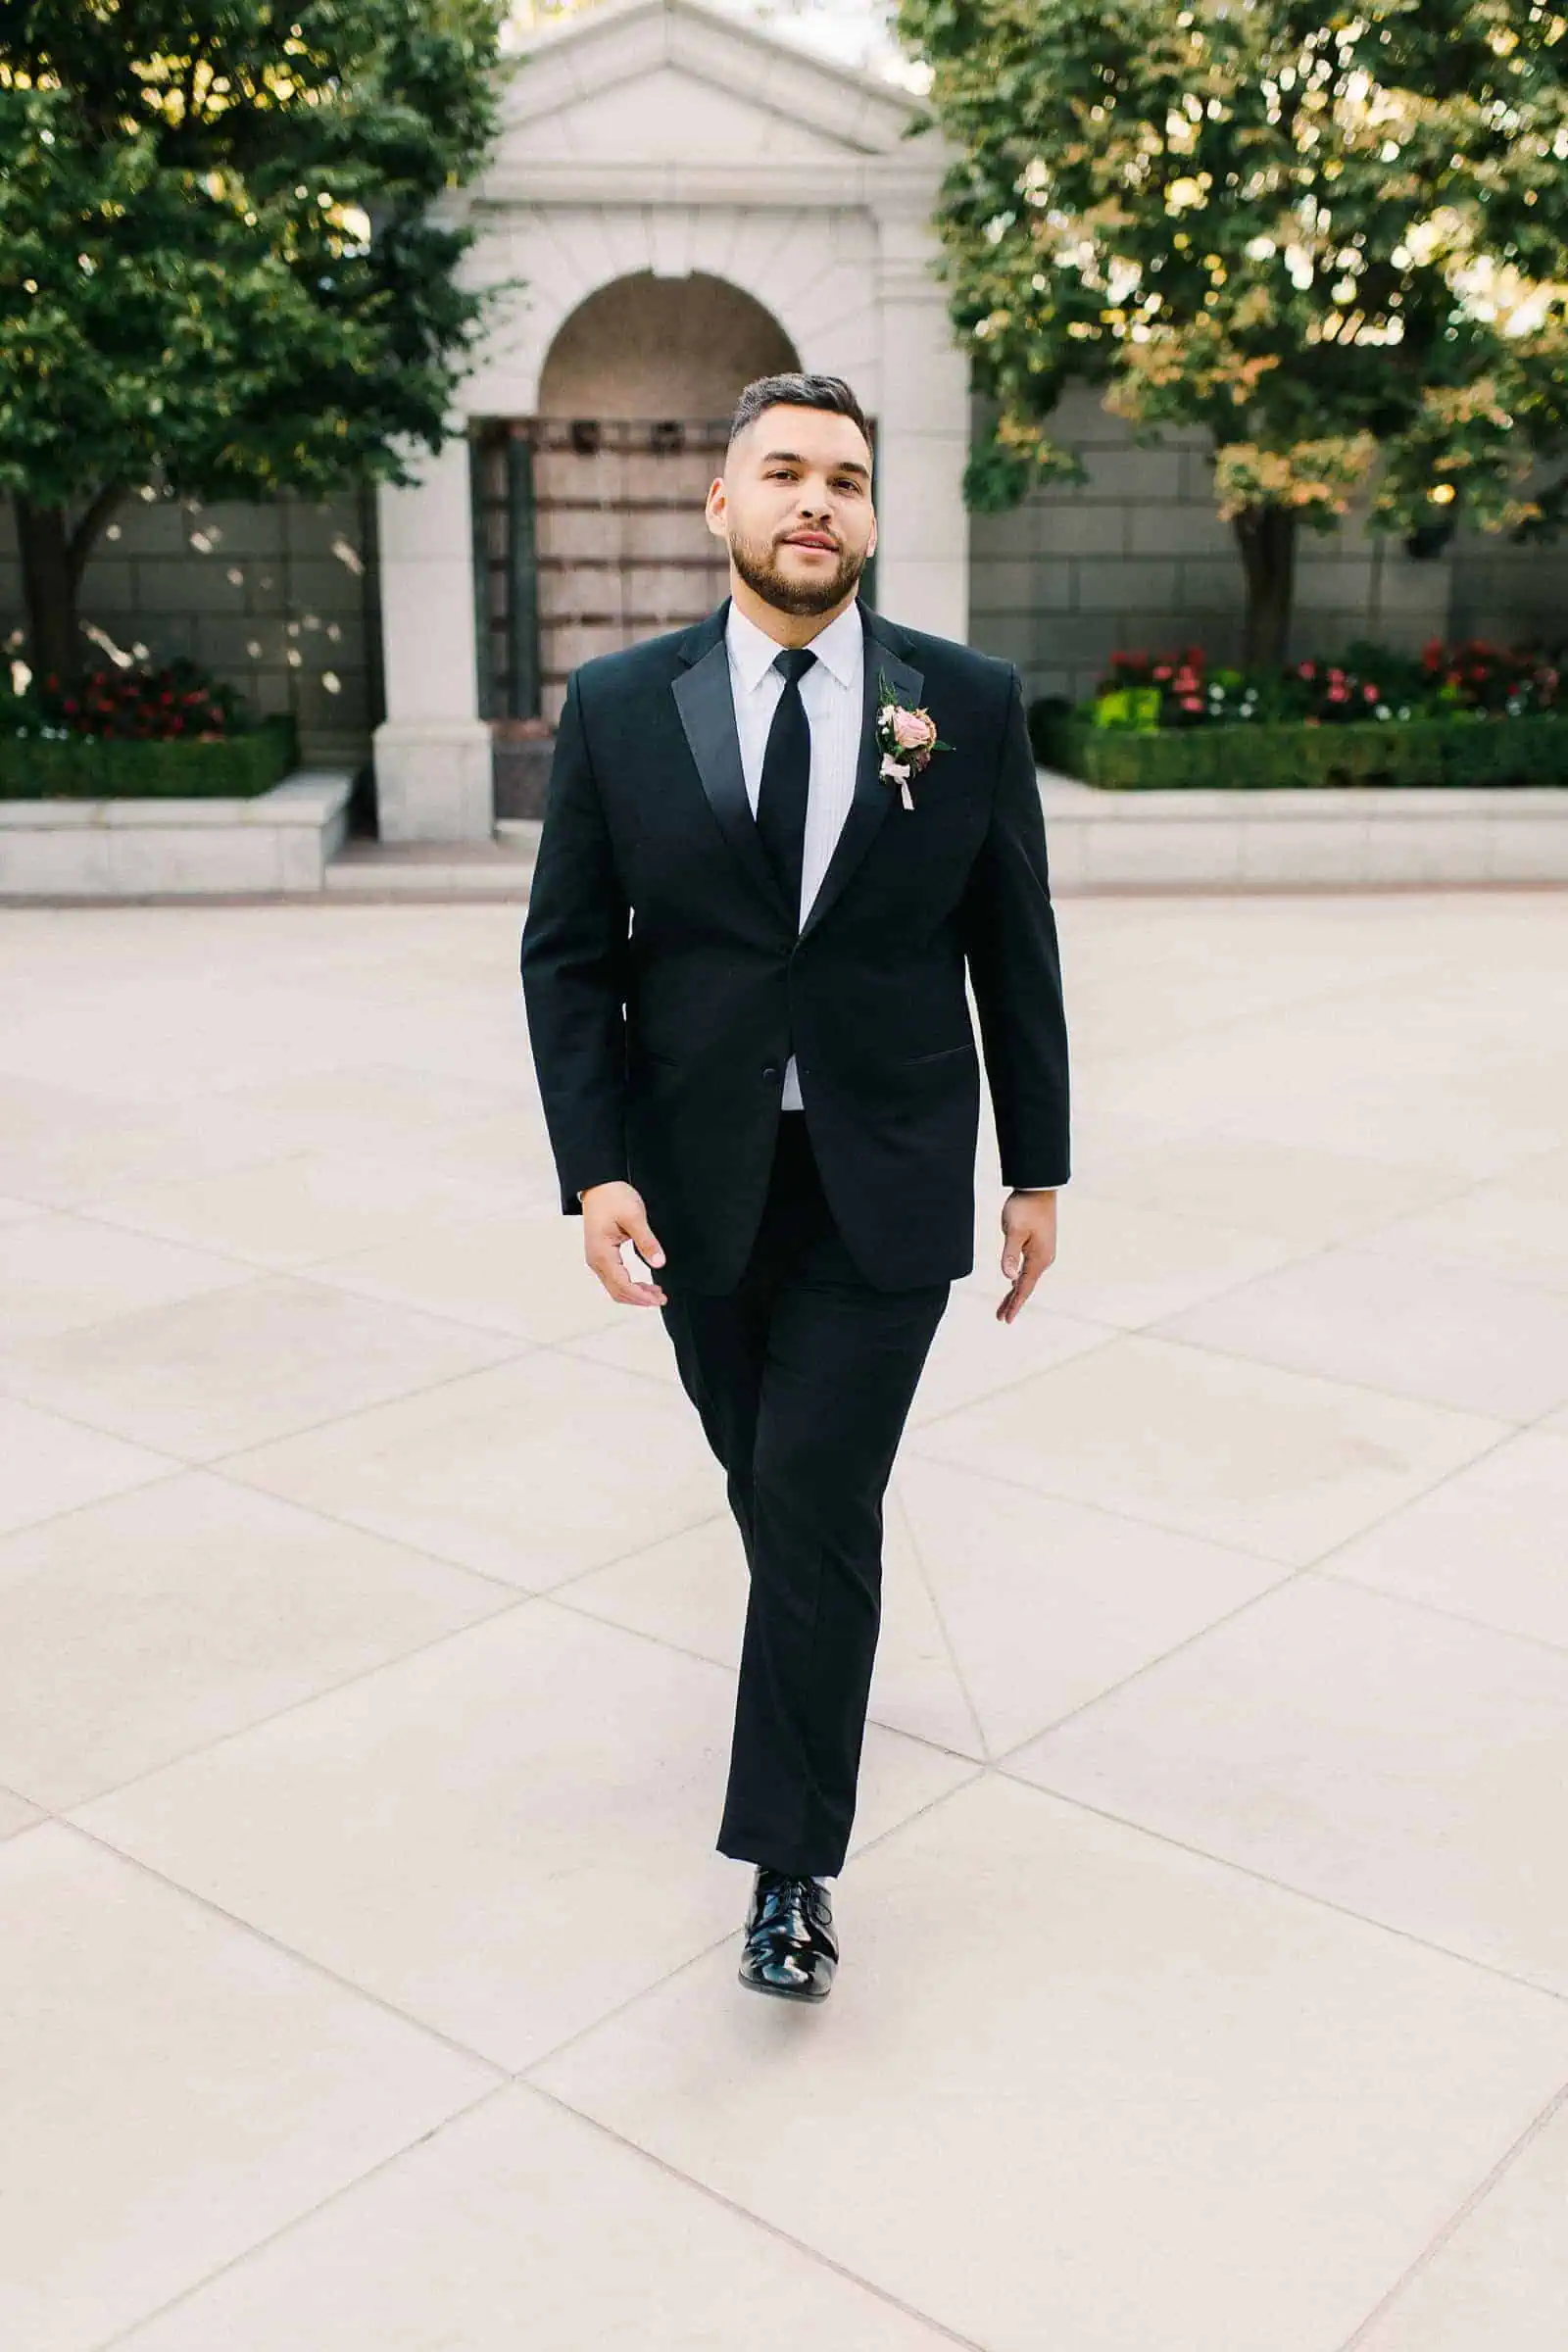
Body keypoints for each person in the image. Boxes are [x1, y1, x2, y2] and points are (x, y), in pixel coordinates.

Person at [520, 371, 1069, 2002]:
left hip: (887, 1181)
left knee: (818, 1499)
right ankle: (812, 1716)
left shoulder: (961, 702)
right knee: (777, 1494)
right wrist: (595, 1169)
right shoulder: (622, 706)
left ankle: (789, 1868)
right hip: (696, 1189)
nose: (815, 499)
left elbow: (1013, 952)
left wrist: (1037, 1166)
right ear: (725, 507)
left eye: (844, 476)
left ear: (874, 518)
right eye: (783, 472)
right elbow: (570, 958)